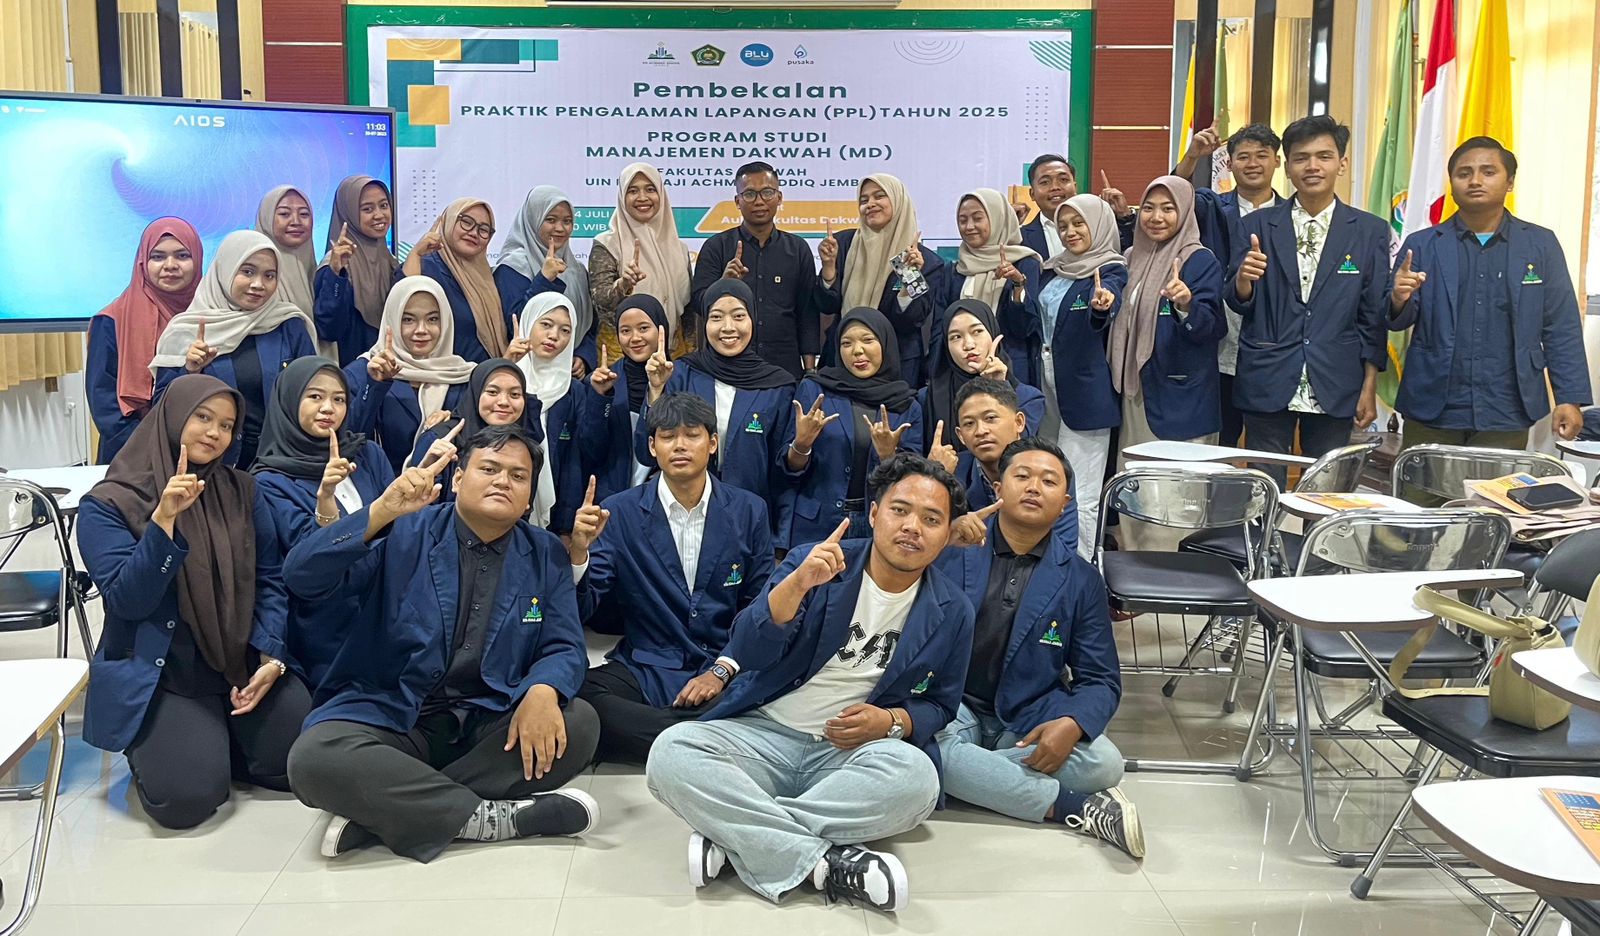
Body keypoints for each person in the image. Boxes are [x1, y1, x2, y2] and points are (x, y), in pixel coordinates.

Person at [646, 454, 975, 912]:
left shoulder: (953, 610)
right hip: (764, 735)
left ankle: (739, 839)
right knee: (670, 752)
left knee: (918, 781)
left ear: (946, 534)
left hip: (848, 756)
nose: (912, 527)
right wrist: (796, 586)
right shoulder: (814, 562)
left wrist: (891, 722)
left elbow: (940, 705)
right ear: (874, 513)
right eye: (900, 510)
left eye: (931, 519)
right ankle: (824, 863)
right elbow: (747, 650)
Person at [283, 425, 601, 862]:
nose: (502, 481)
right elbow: (301, 577)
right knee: (313, 758)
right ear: (457, 479)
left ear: (529, 498)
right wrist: (379, 512)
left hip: (488, 716)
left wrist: (543, 690)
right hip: (395, 713)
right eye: (489, 469)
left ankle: (389, 809)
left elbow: (563, 645)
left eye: (518, 476)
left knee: (579, 723)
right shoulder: (403, 530)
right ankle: (494, 818)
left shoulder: (545, 551)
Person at [77, 374, 311, 829]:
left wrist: (271, 656)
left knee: (298, 764)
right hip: (167, 669)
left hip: (239, 659)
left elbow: (269, 580)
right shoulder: (108, 504)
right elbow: (127, 600)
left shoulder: (242, 490)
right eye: (202, 417)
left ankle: (220, 739)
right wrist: (163, 523)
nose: (214, 433)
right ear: (172, 417)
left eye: (226, 425)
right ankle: (190, 743)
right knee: (186, 800)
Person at [933, 438, 1142, 859]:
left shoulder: (1081, 578)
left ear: (1064, 503)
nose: (1033, 487)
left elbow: (1100, 679)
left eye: (1049, 481)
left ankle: (965, 775)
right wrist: (942, 540)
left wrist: (1073, 723)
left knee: (1105, 763)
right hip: (953, 707)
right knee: (929, 744)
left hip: (1028, 715)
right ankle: (1072, 806)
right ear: (998, 488)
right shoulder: (952, 550)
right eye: (1022, 476)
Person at [571, 393, 775, 763]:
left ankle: (663, 739)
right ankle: (701, 738)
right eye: (667, 436)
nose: (680, 445)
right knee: (580, 697)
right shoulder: (619, 511)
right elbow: (586, 605)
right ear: (652, 447)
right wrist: (579, 553)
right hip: (648, 664)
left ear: (712, 443)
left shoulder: (749, 510)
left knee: (775, 691)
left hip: (721, 659)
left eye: (692, 435)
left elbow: (759, 606)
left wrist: (722, 670)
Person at [1391, 136, 1592, 450]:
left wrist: (1569, 397)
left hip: (1507, 406)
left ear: (1509, 182)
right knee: (1422, 484)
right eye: (1464, 173)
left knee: (1498, 485)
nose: (1475, 181)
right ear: (1452, 184)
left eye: (1488, 172)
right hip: (1432, 405)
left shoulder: (1539, 245)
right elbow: (1396, 319)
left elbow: (1560, 325)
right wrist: (1397, 299)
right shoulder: (1422, 244)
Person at [1230, 115, 1388, 487]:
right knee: (1263, 487)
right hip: (1268, 373)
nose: (1312, 166)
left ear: (1342, 163)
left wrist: (1369, 385)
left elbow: (1372, 315)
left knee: (1326, 489)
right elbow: (1238, 301)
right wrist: (1243, 280)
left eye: (1324, 156)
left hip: (1336, 377)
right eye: (1301, 158)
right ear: (1287, 167)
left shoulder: (1370, 231)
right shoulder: (1255, 225)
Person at [252, 357, 396, 689]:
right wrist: (326, 499)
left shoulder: (367, 454)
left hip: (388, 616)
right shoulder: (269, 481)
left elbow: (399, 528)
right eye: (315, 396)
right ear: (290, 401)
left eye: (339, 399)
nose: (328, 408)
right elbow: (307, 560)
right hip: (323, 632)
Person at [150, 230, 319, 469]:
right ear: (225, 271)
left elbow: (314, 390)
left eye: (269, 275)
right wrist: (189, 372)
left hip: (280, 463)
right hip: (211, 467)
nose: (258, 284)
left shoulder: (288, 324)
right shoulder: (186, 330)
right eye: (247, 272)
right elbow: (161, 409)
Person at [637, 278, 796, 516]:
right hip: (683, 509)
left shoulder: (777, 386)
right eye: (717, 317)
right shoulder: (681, 373)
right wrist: (656, 390)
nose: (728, 327)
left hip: (748, 515)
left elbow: (784, 474)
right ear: (705, 322)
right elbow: (645, 453)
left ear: (753, 319)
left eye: (739, 316)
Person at [1024, 197, 1126, 553]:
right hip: (1045, 388)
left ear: (1097, 224)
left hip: (1085, 395)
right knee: (1047, 483)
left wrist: (1102, 305)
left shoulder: (1111, 269)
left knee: (1081, 492)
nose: (1070, 232)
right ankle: (1050, 561)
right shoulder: (1054, 269)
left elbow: (1108, 304)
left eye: (1079, 223)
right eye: (1064, 225)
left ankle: (1081, 567)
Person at [777, 308, 925, 549]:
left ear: (886, 344)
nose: (857, 350)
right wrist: (801, 444)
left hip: (876, 523)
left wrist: (888, 456)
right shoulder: (816, 390)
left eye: (868, 340)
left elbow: (911, 484)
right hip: (815, 525)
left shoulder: (907, 405)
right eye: (847, 343)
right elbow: (787, 471)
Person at [1175, 123, 1284, 446]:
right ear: (1230, 163)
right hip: (1222, 340)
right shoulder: (1212, 206)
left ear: (1277, 161)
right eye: (1243, 156)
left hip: (1275, 344)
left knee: (1269, 440)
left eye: (1262, 155)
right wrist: (1193, 156)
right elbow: (1176, 196)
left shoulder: (1292, 214)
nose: (1253, 163)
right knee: (1222, 438)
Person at [1111, 176, 1227, 467]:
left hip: (1180, 400)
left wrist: (1186, 304)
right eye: (1148, 208)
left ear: (1185, 212)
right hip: (1136, 392)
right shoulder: (1131, 257)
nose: (1156, 217)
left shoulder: (1199, 260)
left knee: (1178, 488)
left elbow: (1213, 327)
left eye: (1168, 208)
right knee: (1136, 483)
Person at [690, 161, 825, 377]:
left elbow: (807, 312)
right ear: (738, 201)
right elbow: (698, 303)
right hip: (727, 364)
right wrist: (722, 285)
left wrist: (809, 371)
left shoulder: (798, 249)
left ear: (779, 198)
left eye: (767, 193)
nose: (759, 201)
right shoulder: (716, 246)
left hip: (783, 367)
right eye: (750, 194)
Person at [88, 217, 203, 463]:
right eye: (158, 257)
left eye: (182, 256)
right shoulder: (112, 320)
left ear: (198, 259)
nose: (170, 265)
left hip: (202, 451)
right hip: (130, 454)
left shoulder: (212, 318)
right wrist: (150, 449)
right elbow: (104, 403)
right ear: (142, 262)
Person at [816, 174, 946, 387]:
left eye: (879, 196)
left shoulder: (926, 261)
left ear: (898, 201)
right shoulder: (843, 244)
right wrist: (829, 268)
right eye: (864, 200)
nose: (870, 204)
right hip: (843, 359)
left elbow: (911, 321)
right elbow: (827, 305)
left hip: (897, 365)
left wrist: (910, 276)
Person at [345, 276, 476, 474]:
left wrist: (456, 420)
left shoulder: (464, 376)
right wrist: (375, 386)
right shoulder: (362, 373)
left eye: (432, 319)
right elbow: (349, 442)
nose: (421, 330)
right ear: (392, 320)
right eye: (408, 320)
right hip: (382, 489)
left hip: (446, 489)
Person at [949, 378, 1075, 550]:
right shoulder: (954, 473)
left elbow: (1065, 548)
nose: (980, 431)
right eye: (969, 423)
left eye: (990, 418)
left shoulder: (1050, 468)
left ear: (1019, 422)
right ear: (960, 436)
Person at [589, 163, 694, 357]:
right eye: (633, 191)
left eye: (650, 189)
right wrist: (623, 285)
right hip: (622, 355)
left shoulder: (679, 248)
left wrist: (690, 355)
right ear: (622, 197)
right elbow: (600, 303)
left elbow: (688, 311)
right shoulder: (608, 244)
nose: (642, 197)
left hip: (673, 354)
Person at [410, 358, 545, 503]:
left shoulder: (525, 446)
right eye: (492, 392)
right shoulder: (439, 439)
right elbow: (416, 507)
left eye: (515, 394)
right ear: (476, 393)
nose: (504, 402)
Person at [496, 186, 597, 377]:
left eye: (567, 221)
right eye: (550, 220)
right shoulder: (514, 266)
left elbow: (589, 326)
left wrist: (583, 356)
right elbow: (516, 323)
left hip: (569, 376)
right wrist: (544, 279)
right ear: (533, 220)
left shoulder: (577, 270)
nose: (560, 228)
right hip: (527, 373)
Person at [921, 297, 1045, 456]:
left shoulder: (1029, 398)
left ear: (993, 334)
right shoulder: (927, 399)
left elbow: (1017, 453)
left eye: (977, 332)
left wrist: (1000, 389)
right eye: (956, 337)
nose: (968, 345)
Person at [404, 197, 516, 363]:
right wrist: (415, 254)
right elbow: (403, 307)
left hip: (484, 375)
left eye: (483, 229)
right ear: (448, 222)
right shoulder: (426, 267)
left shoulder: (486, 276)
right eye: (466, 222)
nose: (474, 233)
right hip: (440, 375)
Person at [581, 294, 668, 501]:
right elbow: (591, 451)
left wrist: (656, 390)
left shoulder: (683, 379)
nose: (635, 338)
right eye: (625, 331)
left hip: (664, 497)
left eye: (643, 328)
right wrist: (600, 397)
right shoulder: (603, 380)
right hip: (612, 499)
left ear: (661, 329)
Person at [514, 293, 588, 534]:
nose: (554, 336)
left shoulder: (572, 390)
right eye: (546, 324)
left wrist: (566, 528)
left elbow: (573, 460)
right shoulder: (505, 380)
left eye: (565, 330)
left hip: (554, 515)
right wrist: (509, 363)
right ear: (528, 323)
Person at [313, 175, 398, 366]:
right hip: (350, 373)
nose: (379, 215)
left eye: (384, 205)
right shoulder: (334, 265)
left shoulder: (390, 262)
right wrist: (337, 275)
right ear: (348, 214)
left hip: (388, 370)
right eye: (367, 209)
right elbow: (328, 330)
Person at [1017, 156, 1138, 274]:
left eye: (1063, 180)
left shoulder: (1100, 228)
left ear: (1075, 187)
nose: (1055, 187)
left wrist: (1124, 216)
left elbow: (1134, 259)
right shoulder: (1020, 239)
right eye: (1045, 182)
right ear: (1032, 193)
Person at [945, 189, 1041, 338]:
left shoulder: (1025, 264)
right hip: (963, 352)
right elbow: (942, 326)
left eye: (977, 218)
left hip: (1007, 352)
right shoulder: (955, 271)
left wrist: (1018, 286)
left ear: (997, 219)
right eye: (962, 220)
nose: (969, 226)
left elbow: (1025, 329)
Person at [253, 185, 317, 320]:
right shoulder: (249, 269)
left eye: (304, 214)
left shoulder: (316, 271)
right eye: (284, 214)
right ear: (267, 218)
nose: (296, 222)